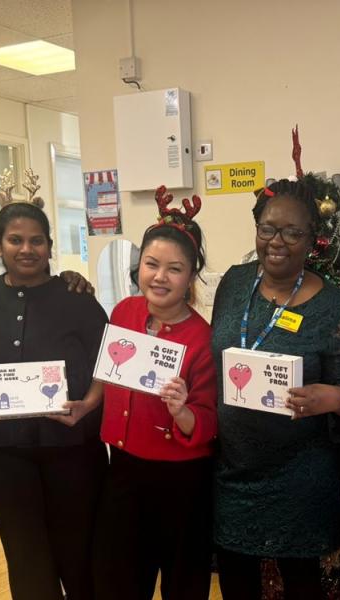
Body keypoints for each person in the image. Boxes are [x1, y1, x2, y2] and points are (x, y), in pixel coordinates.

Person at [210, 178, 340, 599]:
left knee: (302, 586)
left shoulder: (329, 304)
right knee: (236, 583)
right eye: (268, 229)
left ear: (311, 239)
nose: (277, 241)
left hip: (300, 474)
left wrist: (333, 397)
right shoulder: (234, 283)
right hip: (234, 470)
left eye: (293, 232)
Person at [0, 199, 108, 599]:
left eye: (36, 240)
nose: (26, 249)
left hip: (71, 448)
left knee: (77, 551)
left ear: (49, 246)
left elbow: (109, 362)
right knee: (25, 553)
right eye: (15, 240)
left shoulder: (76, 296)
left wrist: (89, 404)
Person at [92, 189, 218, 600]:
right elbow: (108, 374)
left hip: (180, 481)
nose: (160, 277)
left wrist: (181, 411)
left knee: (183, 582)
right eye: (151, 264)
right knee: (120, 580)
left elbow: (207, 421)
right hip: (123, 468)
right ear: (139, 266)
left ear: (191, 276)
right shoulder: (123, 313)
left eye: (174, 269)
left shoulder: (201, 338)